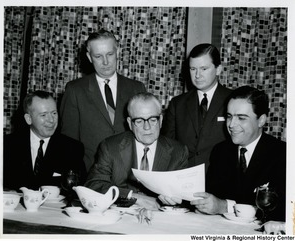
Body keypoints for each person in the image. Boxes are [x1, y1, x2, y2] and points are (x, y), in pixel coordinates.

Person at [191, 86, 286, 222]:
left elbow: (281, 210)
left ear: (261, 120)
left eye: (241, 118)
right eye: (229, 117)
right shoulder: (220, 151)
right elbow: (211, 199)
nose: (231, 124)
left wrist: (225, 206)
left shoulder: (283, 154)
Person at [60, 29, 146, 172]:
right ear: (89, 57)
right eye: (98, 56)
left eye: (110, 54)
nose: (105, 62)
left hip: (130, 175)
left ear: (117, 51)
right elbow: (69, 141)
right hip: (90, 175)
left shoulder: (136, 88)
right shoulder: (75, 90)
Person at [85, 92, 189, 209]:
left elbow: (185, 198)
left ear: (161, 120)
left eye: (153, 119)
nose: (147, 127)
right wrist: (132, 197)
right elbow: (94, 185)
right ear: (130, 123)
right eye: (139, 121)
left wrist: (177, 200)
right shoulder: (110, 147)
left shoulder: (178, 152)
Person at [162, 43, 232, 172]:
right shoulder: (177, 104)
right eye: (193, 69)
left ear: (218, 69)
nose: (197, 75)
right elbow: (167, 147)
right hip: (185, 180)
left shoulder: (233, 100)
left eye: (204, 69)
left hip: (222, 180)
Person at [4, 91, 87, 191]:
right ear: (29, 119)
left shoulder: (72, 148)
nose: (51, 120)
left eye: (54, 113)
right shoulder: (6, 145)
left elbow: (78, 190)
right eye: (43, 115)